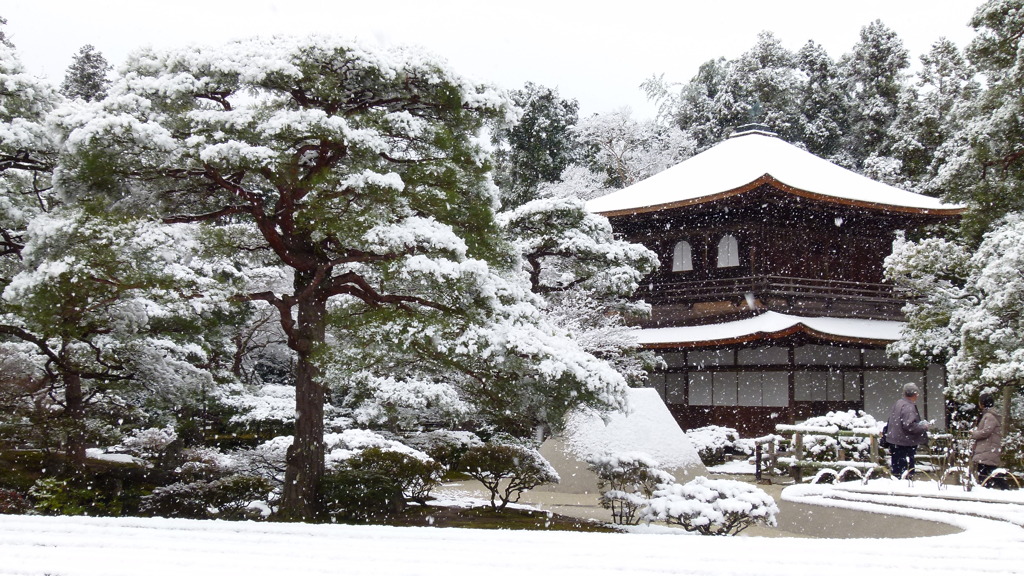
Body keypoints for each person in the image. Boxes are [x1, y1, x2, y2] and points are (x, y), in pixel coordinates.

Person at [885, 383, 931, 479]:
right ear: (914, 394)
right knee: (906, 471)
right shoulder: (908, 406)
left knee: (897, 470)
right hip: (905, 443)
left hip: (895, 441)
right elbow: (909, 426)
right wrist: (923, 426)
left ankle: (897, 486)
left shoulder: (899, 403)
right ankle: (905, 487)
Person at [971, 393, 1007, 489]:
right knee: (989, 472)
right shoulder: (989, 415)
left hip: (987, 449)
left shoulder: (989, 416)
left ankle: (1003, 489)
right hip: (987, 449)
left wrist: (974, 434)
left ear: (982, 403)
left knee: (987, 472)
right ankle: (992, 489)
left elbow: (986, 431)